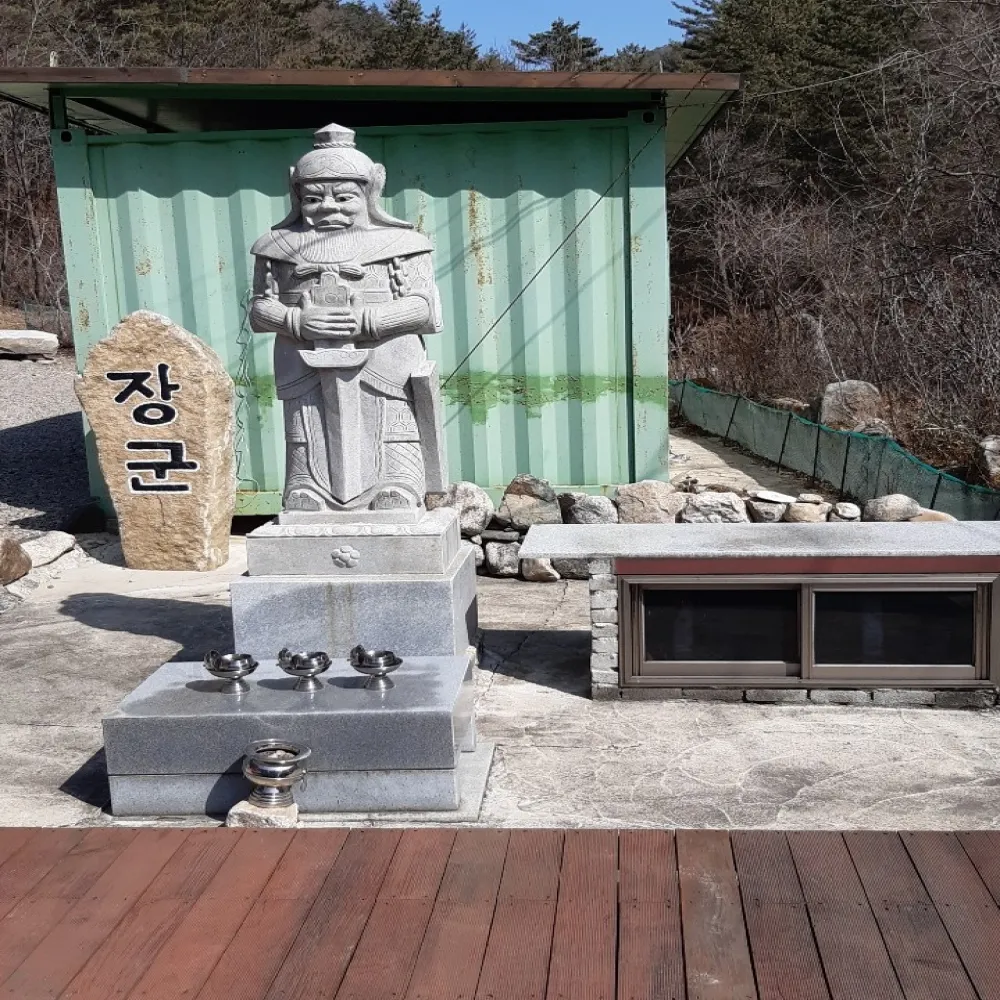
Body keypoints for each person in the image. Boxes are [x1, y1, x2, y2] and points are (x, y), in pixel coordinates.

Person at [250, 122, 443, 512]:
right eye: (313, 198)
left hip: (385, 355)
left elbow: (423, 306)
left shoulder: (402, 244)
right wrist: (294, 322)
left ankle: (400, 482)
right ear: (296, 195)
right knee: (305, 419)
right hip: (303, 355)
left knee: (392, 415)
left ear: (371, 191)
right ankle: (305, 485)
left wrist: (368, 321)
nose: (328, 207)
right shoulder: (276, 247)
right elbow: (258, 308)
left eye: (343, 197)